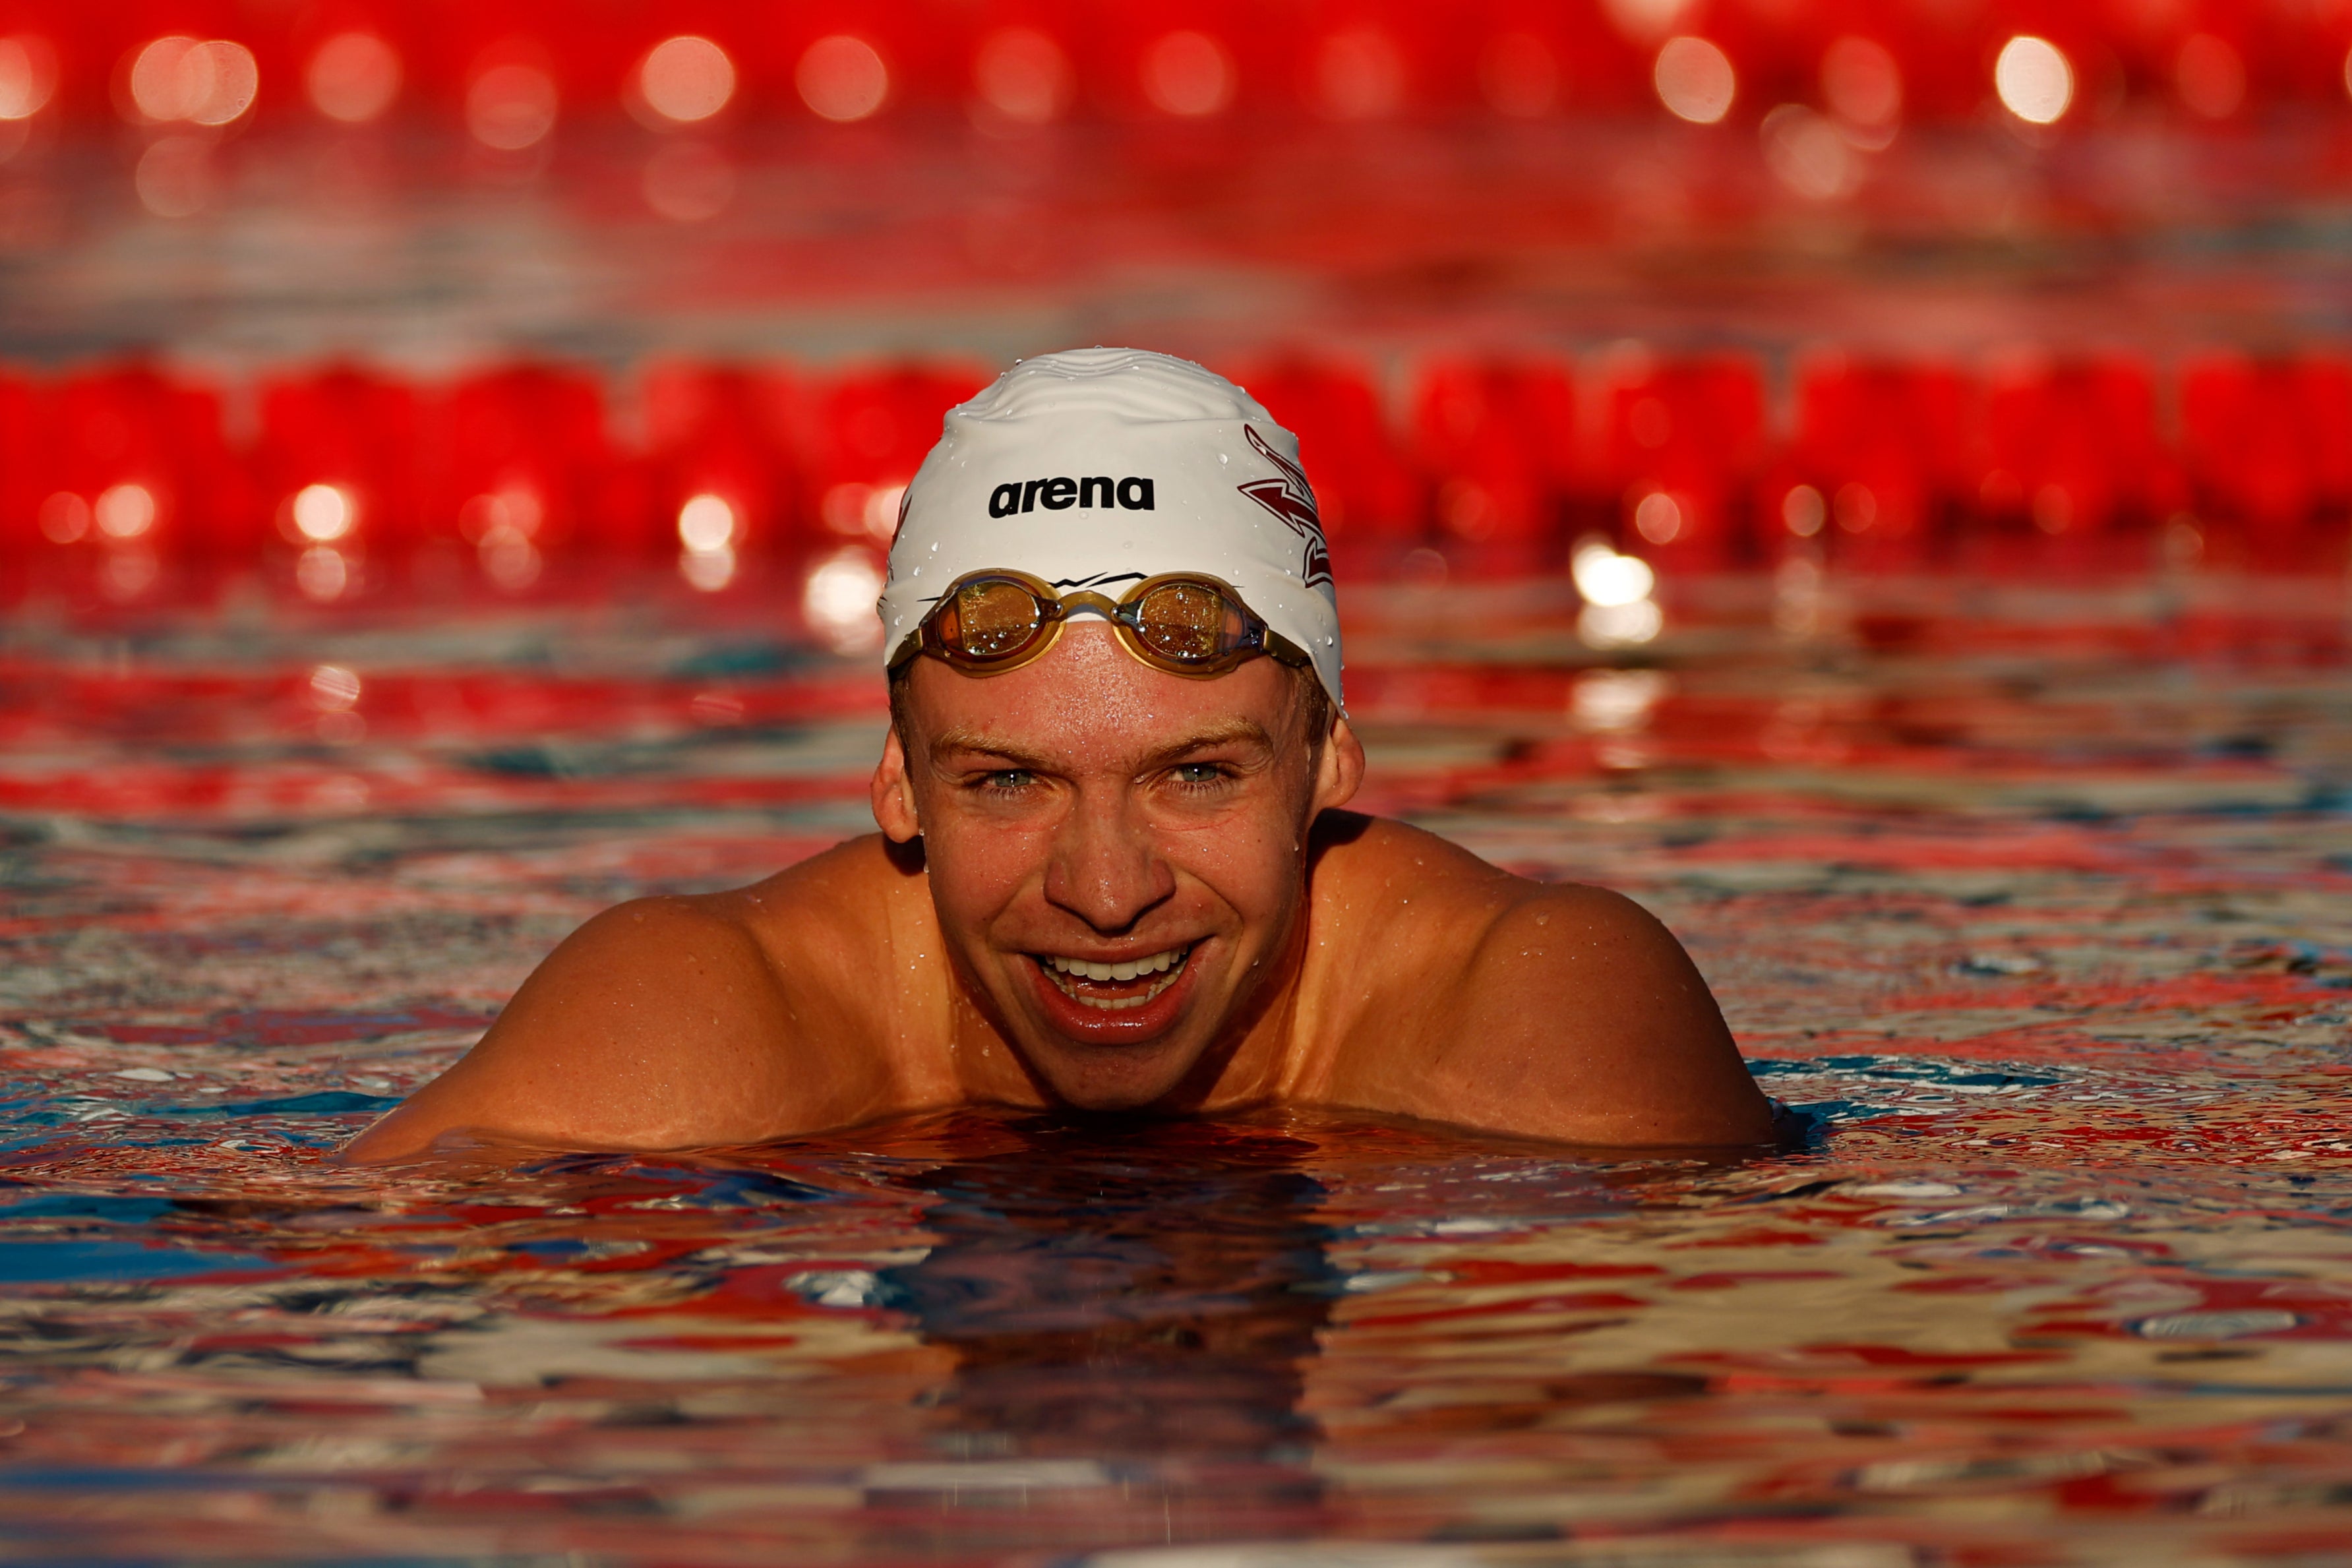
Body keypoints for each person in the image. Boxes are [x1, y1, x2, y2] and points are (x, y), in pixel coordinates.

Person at [344, 349, 1774, 1162]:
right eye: (1008, 780)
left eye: (1195, 773)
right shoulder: (696, 1033)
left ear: (1329, 755)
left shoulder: (1537, 1025)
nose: (1103, 893)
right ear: (899, 782)